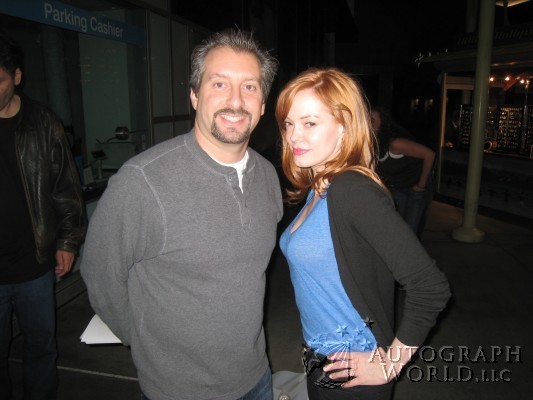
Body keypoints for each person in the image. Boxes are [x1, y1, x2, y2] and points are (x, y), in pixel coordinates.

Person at [80, 29, 282, 400]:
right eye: (219, 84)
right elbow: (100, 274)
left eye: (249, 87)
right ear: (194, 95)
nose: (235, 100)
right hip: (178, 390)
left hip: (256, 377)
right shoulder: (143, 181)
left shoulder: (268, 176)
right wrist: (142, 341)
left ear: (263, 104)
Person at [275, 68, 451, 400]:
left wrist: (390, 365)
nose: (294, 136)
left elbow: (429, 286)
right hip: (320, 357)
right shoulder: (320, 186)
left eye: (310, 123)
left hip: (354, 372)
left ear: (344, 126)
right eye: (289, 123)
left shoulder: (351, 190)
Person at [0, 33, 86, 399]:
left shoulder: (43, 122)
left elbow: (66, 187)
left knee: (40, 347)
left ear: (16, 77)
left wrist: (67, 241)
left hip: (33, 264)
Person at [370, 106, 436, 236]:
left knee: (410, 231)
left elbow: (430, 154)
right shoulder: (372, 145)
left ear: (382, 124)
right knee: (399, 227)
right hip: (399, 186)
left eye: (372, 119)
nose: (367, 120)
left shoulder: (395, 144)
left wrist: (421, 186)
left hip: (416, 186)